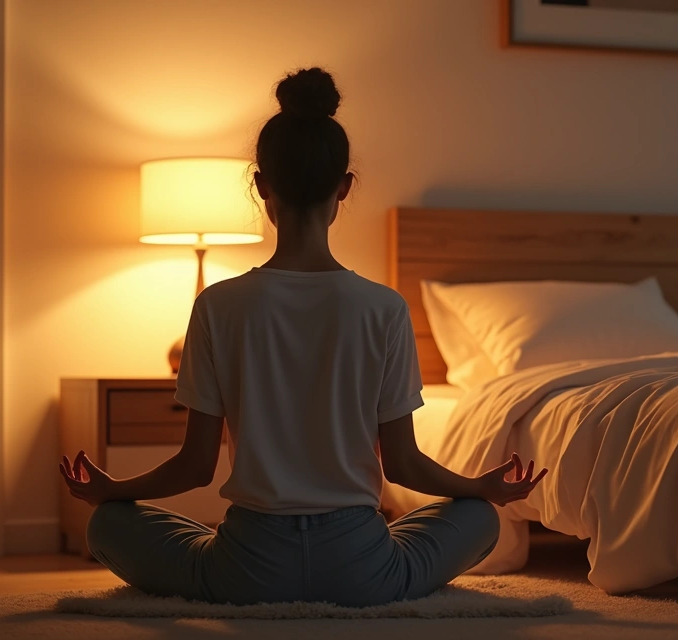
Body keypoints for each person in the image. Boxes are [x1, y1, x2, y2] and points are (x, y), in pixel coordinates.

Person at [58, 67, 546, 607]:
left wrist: (113, 491)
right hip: (362, 570)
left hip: (245, 568)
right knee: (479, 518)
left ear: (261, 186)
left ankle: (213, 559)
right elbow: (404, 464)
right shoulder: (385, 308)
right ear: (344, 187)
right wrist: (483, 488)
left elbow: (195, 468)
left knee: (107, 526)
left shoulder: (218, 305)